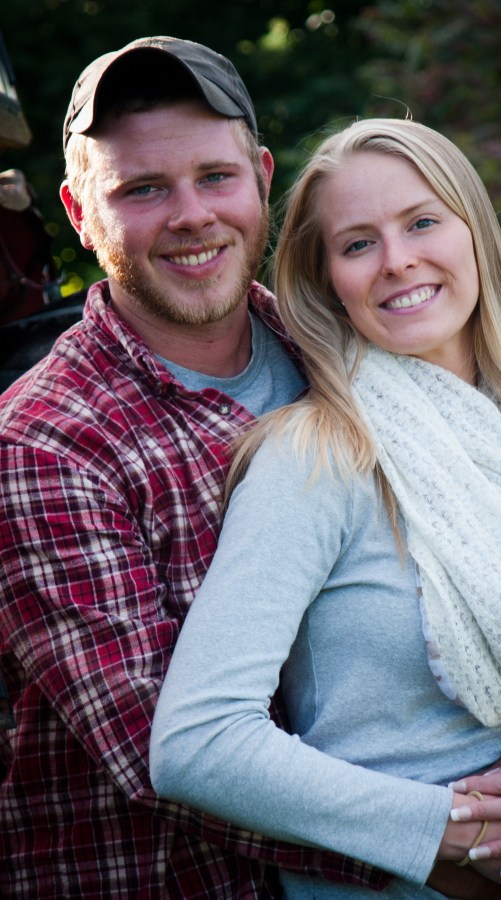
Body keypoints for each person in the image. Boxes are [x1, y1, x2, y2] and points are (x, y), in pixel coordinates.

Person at [150, 118, 501, 899]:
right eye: (358, 243)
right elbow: (197, 743)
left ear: (474, 235)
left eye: (421, 223)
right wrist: (447, 831)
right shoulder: (316, 457)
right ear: (327, 279)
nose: (397, 260)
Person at [0, 37, 402, 899]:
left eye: (214, 177)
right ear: (78, 213)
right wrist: (456, 841)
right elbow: (164, 755)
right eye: (142, 189)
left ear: (260, 178)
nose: (191, 215)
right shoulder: (41, 445)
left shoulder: (355, 362)